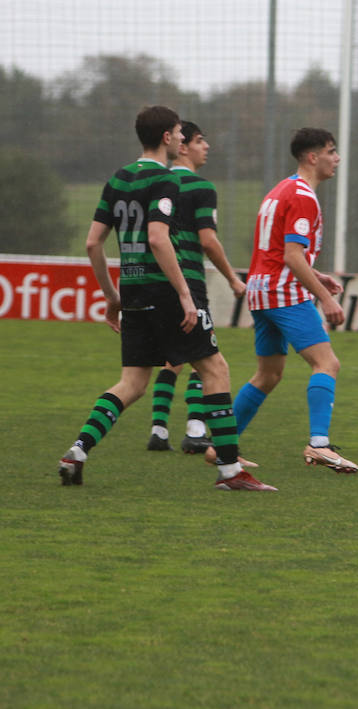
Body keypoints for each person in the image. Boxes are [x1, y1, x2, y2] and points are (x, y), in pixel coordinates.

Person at [56, 105, 275, 492]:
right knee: (215, 370)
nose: (180, 138)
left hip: (134, 290)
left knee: (132, 383)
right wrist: (186, 295)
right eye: (177, 132)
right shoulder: (166, 181)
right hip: (166, 291)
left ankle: (77, 450)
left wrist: (112, 296)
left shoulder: (119, 178)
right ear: (166, 138)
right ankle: (230, 471)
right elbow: (158, 238)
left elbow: (93, 243)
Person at [232, 127, 358, 474]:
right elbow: (291, 255)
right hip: (283, 292)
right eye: (331, 151)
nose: (337, 158)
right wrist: (326, 300)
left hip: (260, 289)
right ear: (311, 157)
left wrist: (316, 275)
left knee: (268, 374)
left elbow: (277, 252)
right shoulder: (303, 195)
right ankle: (319, 445)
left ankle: (222, 446)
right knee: (327, 363)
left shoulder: (281, 189)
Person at [145, 120, 247, 455]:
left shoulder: (157, 182)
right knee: (205, 358)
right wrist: (232, 277)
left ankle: (159, 430)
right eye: (201, 141)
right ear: (183, 146)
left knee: (172, 358)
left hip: (155, 282)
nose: (208, 147)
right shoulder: (201, 188)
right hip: (188, 281)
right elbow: (209, 241)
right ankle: (197, 431)